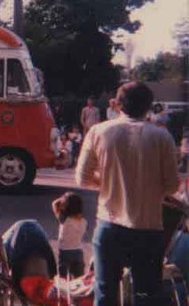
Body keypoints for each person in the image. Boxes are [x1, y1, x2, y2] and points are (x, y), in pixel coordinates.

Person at [76, 81, 180, 305]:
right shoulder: (162, 137)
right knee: (145, 295)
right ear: (149, 107)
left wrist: (108, 181)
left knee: (105, 293)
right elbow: (172, 186)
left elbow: (82, 178)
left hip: (109, 224)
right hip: (148, 228)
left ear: (117, 105)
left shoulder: (98, 131)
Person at [52, 192, 87, 278]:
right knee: (79, 278)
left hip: (65, 251)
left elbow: (54, 204)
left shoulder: (64, 220)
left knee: (63, 278)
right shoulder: (84, 221)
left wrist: (63, 199)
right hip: (78, 251)